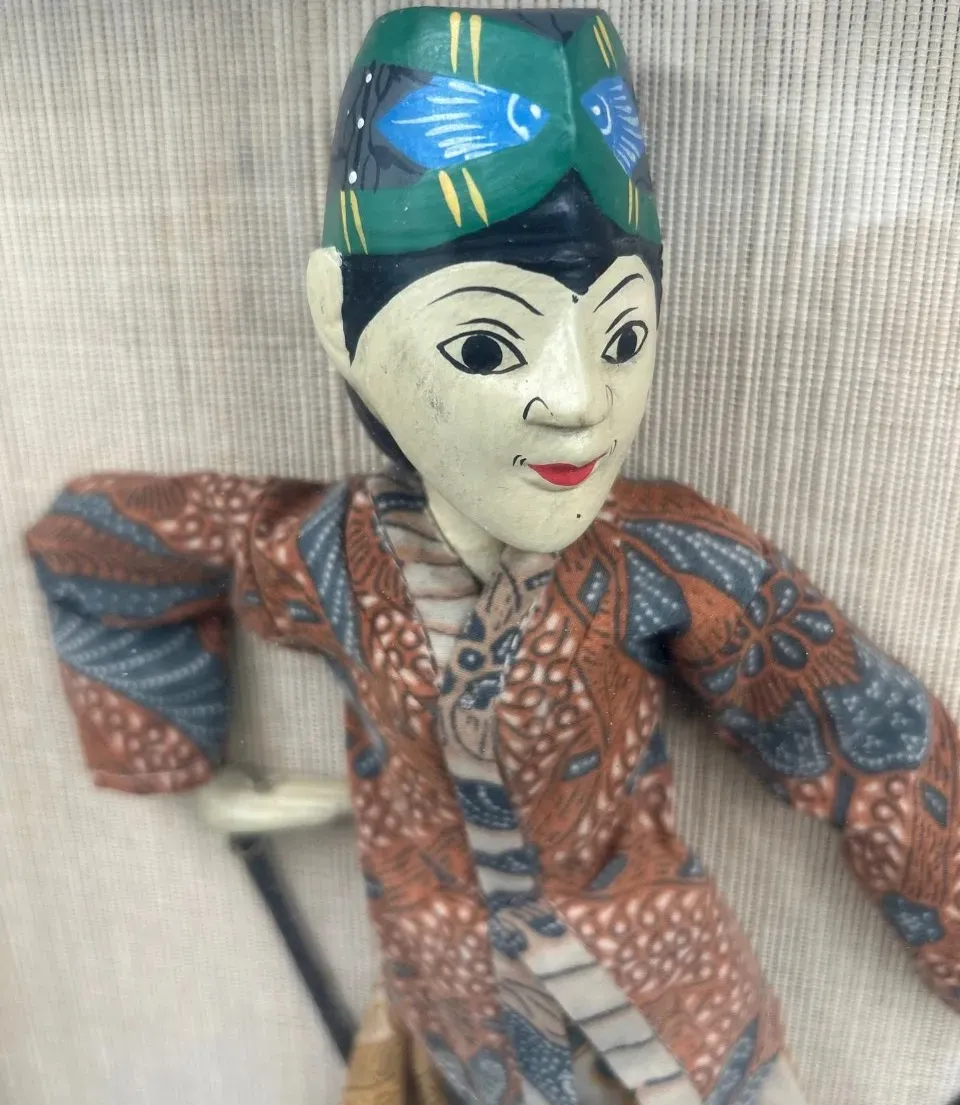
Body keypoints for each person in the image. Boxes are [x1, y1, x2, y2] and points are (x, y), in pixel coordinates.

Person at [24, 9, 959, 1105]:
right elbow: (97, 540)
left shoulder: (665, 556)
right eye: (483, 343)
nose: (578, 400)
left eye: (621, 337)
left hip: (672, 1001)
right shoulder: (318, 551)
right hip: (459, 1009)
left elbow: (869, 734)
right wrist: (194, 759)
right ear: (339, 319)